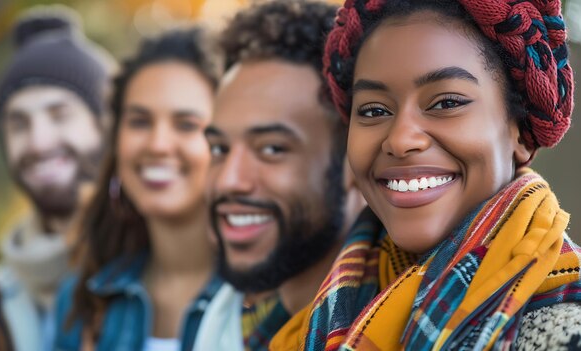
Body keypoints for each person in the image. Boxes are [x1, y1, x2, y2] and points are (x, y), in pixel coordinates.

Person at [270, 0, 581, 350]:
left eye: (446, 103)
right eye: (374, 110)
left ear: (520, 132)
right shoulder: (303, 322)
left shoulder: (564, 331)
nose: (401, 140)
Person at [193, 1, 367, 350]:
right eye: (219, 149)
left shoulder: (404, 325)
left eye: (272, 149)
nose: (229, 180)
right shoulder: (223, 318)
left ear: (353, 162)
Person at [54, 27, 224, 351]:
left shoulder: (262, 300)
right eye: (140, 121)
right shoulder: (82, 299)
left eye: (187, 125)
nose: (158, 145)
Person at [0, 6, 114, 351]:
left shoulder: (153, 264)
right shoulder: (3, 290)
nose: (39, 142)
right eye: (19, 124)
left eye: (60, 115)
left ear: (105, 128)